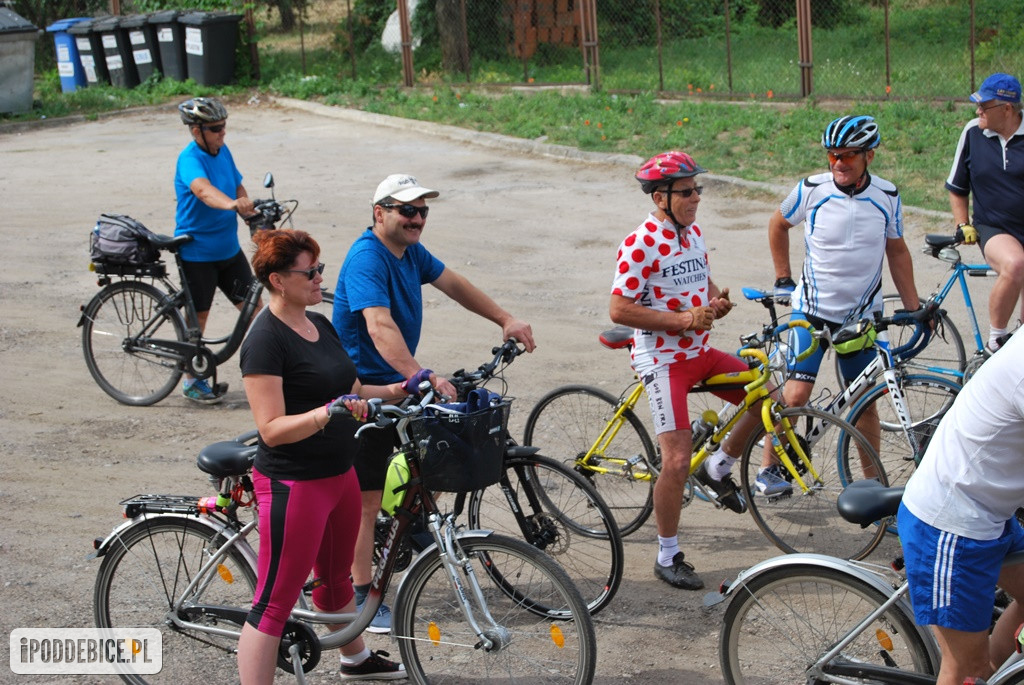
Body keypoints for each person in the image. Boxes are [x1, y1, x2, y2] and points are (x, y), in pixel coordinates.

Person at [331, 173, 536, 630]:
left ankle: (411, 522)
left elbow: (454, 283)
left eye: (423, 210)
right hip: (367, 393)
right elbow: (379, 325)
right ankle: (362, 593)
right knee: (365, 503)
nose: (417, 218)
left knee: (442, 446)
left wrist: (504, 318)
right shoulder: (368, 257)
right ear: (379, 212)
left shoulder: (409, 252)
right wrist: (417, 375)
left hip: (403, 383)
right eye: (407, 210)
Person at [237, 229, 410, 683]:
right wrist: (323, 415)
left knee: (335, 580)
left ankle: (354, 659)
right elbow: (271, 430)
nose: (319, 278)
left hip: (339, 474)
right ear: (278, 280)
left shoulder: (321, 324)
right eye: (309, 272)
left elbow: (351, 392)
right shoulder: (264, 341)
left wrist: (400, 388)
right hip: (294, 483)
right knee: (274, 602)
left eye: (320, 268)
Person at [608, 150, 768, 591]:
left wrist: (715, 300)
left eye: (698, 188)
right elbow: (619, 308)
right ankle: (667, 553)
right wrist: (682, 320)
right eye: (687, 191)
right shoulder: (639, 243)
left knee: (763, 396)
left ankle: (718, 466)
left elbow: (701, 279)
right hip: (662, 360)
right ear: (660, 197)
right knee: (676, 460)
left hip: (699, 350)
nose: (696, 196)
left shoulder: (692, 232)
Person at [765, 114, 921, 496]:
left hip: (860, 319)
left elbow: (897, 250)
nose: (839, 164)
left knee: (866, 404)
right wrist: (783, 276)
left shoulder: (888, 195)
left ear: (869, 155)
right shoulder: (811, 189)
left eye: (849, 156)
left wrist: (914, 308)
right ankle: (771, 468)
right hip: (811, 313)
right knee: (796, 395)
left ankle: (873, 485)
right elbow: (777, 224)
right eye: (833, 155)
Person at [898, 327, 1024, 685]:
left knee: (983, 673)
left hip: (990, 513)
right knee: (965, 670)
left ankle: (996, 677)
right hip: (953, 525)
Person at [175, 96, 260, 404]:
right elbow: (203, 191)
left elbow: (237, 185)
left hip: (228, 251)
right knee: (199, 319)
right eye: (215, 129)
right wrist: (231, 205)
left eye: (224, 127)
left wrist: (247, 208)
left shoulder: (222, 151)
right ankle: (191, 379)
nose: (223, 133)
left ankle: (274, 370)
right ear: (196, 131)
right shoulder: (190, 159)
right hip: (197, 253)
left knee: (256, 312)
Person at [946, 72, 1024, 354]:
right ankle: (995, 341)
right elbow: (957, 187)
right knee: (1016, 263)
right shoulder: (973, 132)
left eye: (984, 105)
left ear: (1007, 109)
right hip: (995, 227)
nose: (978, 111)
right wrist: (962, 223)